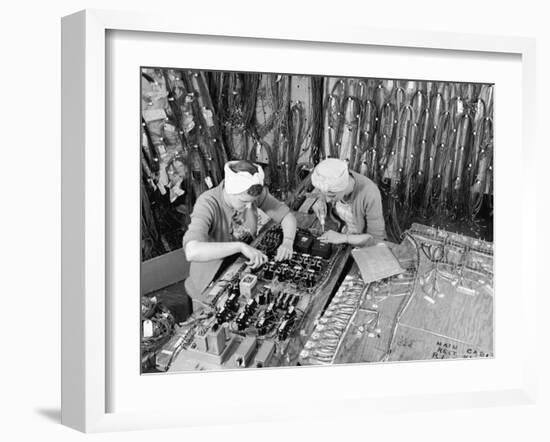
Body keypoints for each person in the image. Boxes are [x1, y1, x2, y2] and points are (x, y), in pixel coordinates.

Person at [168, 160, 296, 320]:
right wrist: (240, 246)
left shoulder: (252, 194)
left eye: (252, 202)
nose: (250, 206)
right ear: (230, 190)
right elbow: (192, 251)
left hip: (242, 266)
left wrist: (288, 241)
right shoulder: (207, 203)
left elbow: (286, 216)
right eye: (244, 202)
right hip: (210, 280)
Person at [310, 158, 386, 247]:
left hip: (364, 244)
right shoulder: (335, 177)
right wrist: (320, 201)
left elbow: (375, 239)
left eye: (332, 196)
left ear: (343, 187)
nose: (328, 200)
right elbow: (325, 190)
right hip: (342, 231)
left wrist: (344, 238)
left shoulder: (370, 193)